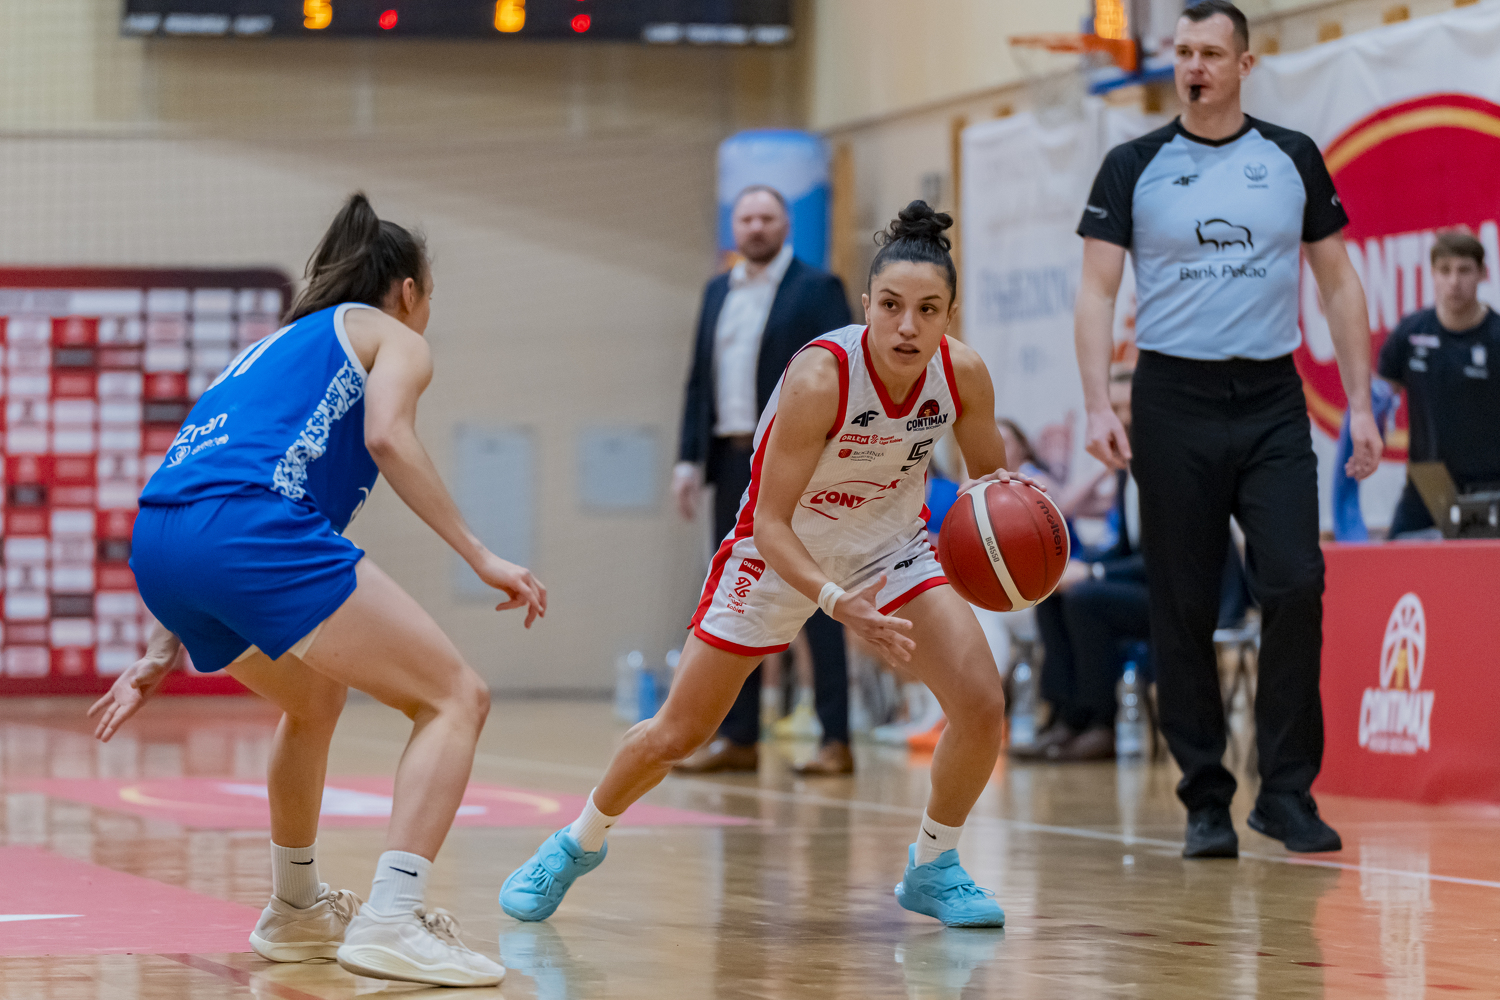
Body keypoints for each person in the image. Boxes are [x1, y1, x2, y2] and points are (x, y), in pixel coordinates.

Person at [502, 202, 1021, 929]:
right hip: (778, 554)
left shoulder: (962, 375)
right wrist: (837, 603)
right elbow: (770, 524)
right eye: (892, 306)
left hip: (889, 548)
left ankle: (934, 866)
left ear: (949, 316)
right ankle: (575, 843)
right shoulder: (821, 378)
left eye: (927, 310)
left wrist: (1014, 546)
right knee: (680, 733)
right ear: (866, 305)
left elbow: (990, 495)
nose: (907, 326)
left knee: (981, 704)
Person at [88, 194, 545, 988]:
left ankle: (296, 908)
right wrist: (480, 554)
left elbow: (202, 490)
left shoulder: (271, 348)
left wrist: (162, 644)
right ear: (408, 291)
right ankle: (394, 918)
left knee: (314, 698)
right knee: (454, 698)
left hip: (161, 544)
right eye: (430, 297)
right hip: (246, 530)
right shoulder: (394, 336)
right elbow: (387, 436)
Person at [1073, 0, 1381, 858]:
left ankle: (1285, 792)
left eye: (1210, 53)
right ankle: (1205, 797)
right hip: (1172, 399)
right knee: (1181, 603)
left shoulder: (1290, 156)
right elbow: (1096, 290)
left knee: (1296, 582)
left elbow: (1339, 283)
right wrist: (1097, 402)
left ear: (1245, 65)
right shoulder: (1132, 164)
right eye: (1183, 52)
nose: (1193, 67)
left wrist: (1360, 403)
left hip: (1272, 397)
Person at [672, 184, 857, 777]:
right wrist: (687, 460)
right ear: (735, 226)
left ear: (785, 225)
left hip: (798, 462)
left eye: (766, 218)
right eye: (746, 218)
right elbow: (698, 379)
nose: (755, 227)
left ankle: (836, 737)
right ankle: (739, 736)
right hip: (731, 461)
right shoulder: (717, 291)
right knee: (738, 593)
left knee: (818, 595)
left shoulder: (817, 288)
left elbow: (847, 374)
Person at [1378, 230, 1500, 536]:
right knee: (1393, 557)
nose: (1454, 281)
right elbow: (1378, 395)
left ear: (1483, 273)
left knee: (1475, 561)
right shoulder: (1411, 332)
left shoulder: (1496, 337)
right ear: (1432, 274)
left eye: (1464, 270)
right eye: (1445, 270)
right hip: (1427, 483)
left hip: (1487, 484)